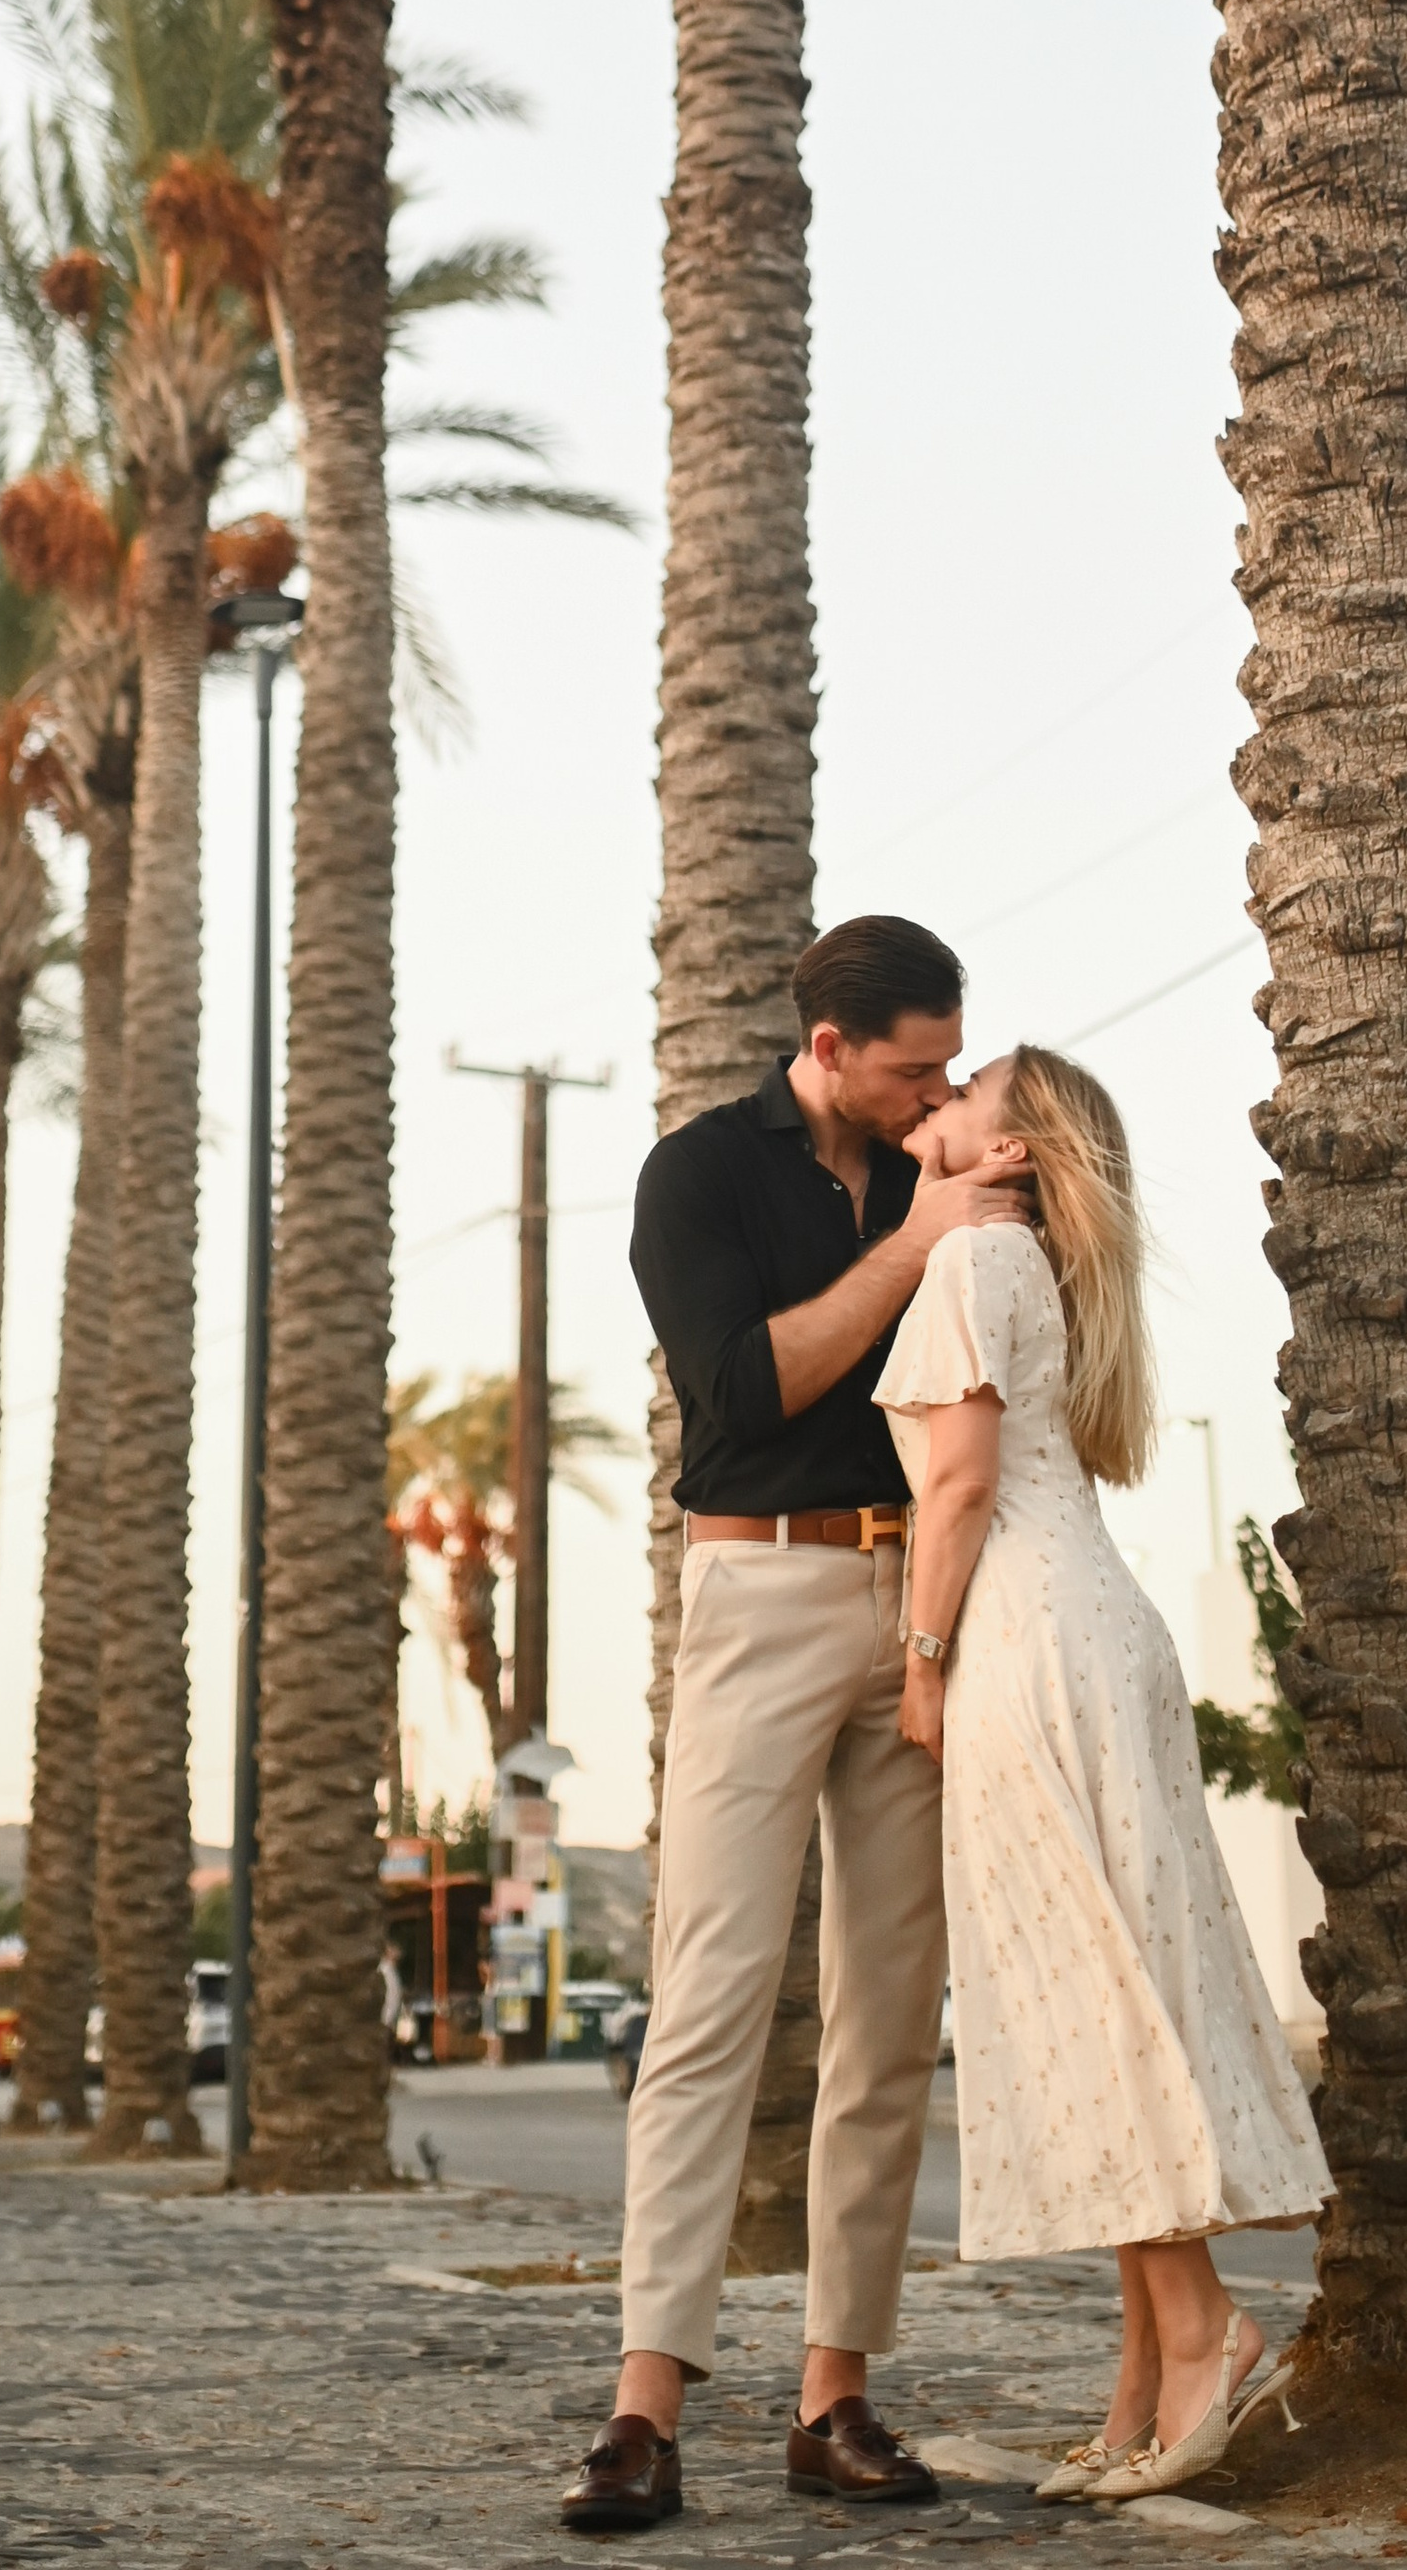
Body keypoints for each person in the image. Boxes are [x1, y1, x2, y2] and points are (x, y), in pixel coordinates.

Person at [561, 915, 1030, 2537]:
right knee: (711, 1996)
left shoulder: (947, 1159)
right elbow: (744, 1389)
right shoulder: (699, 1176)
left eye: (948, 1065)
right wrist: (918, 1244)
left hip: (924, 1612)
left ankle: (837, 2398)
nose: (936, 1094)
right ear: (827, 1049)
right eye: (912, 1068)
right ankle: (643, 2410)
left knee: (892, 2014)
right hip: (759, 1595)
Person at [875, 1045, 1331, 2503]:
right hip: (1089, 1627)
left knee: (1086, 1993)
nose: (934, 1111)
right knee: (1112, 1973)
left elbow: (953, 1484)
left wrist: (923, 1656)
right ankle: (1140, 2379)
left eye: (965, 1101)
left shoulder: (973, 1261)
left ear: (1008, 1156)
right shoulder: (1023, 1266)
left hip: (1025, 1638)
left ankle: (1201, 2334)